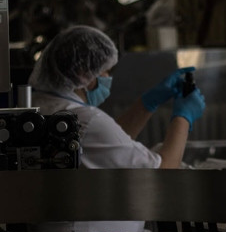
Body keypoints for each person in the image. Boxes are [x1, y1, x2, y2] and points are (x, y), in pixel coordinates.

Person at [29, 25, 206, 171]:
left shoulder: (41, 103)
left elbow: (110, 142)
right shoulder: (85, 119)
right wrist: (183, 117)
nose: (107, 77)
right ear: (82, 72)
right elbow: (163, 171)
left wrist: (147, 104)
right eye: (105, 71)